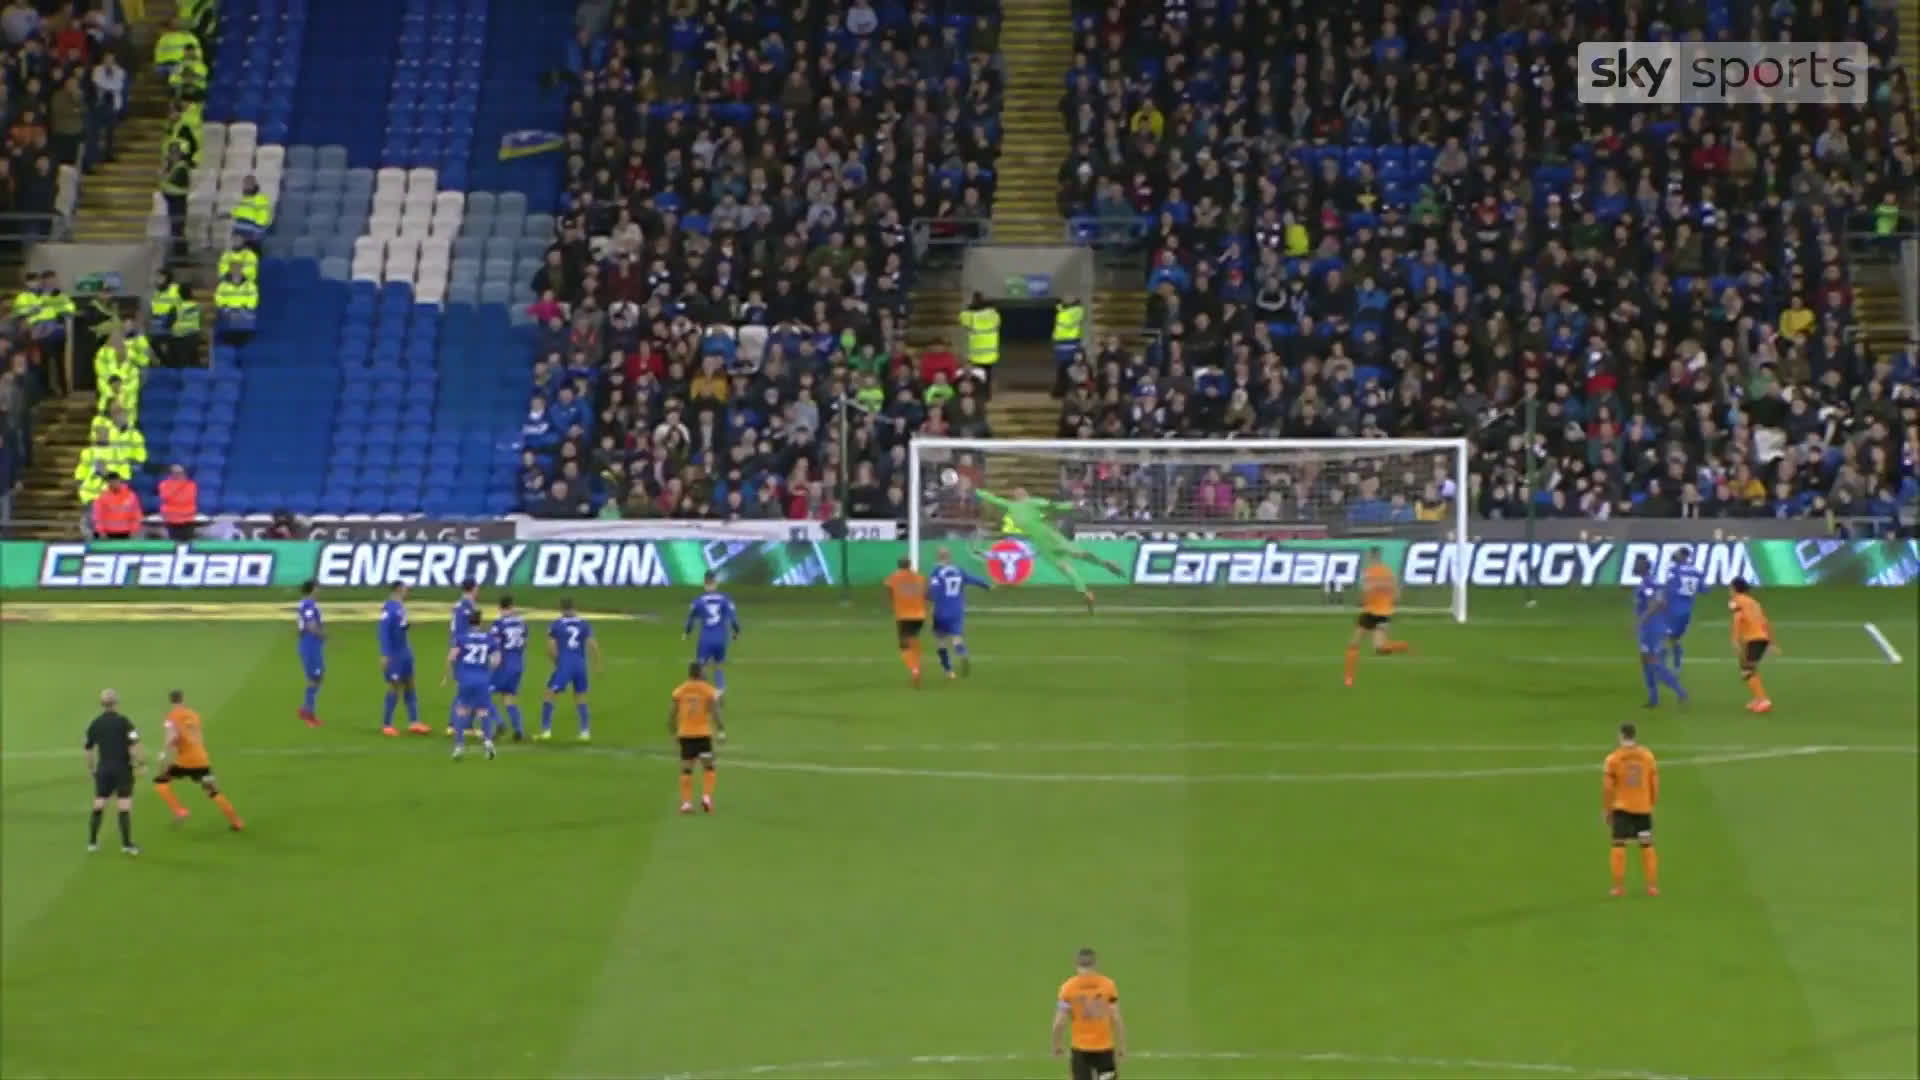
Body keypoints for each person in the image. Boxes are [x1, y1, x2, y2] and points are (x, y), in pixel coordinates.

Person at [973, 487, 1124, 611]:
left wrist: (1072, 505)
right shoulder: (1014, 505)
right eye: (1017, 492)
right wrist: (977, 492)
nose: (1018, 494)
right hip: (1043, 541)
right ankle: (1086, 591)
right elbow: (992, 498)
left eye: (1019, 492)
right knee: (1067, 566)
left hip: (1048, 536)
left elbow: (1053, 506)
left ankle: (1104, 566)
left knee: (1074, 558)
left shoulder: (1026, 503)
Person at [149, 690, 245, 830]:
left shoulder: (171, 717)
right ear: (184, 699)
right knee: (213, 791)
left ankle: (179, 811)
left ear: (171, 701)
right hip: (202, 761)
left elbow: (171, 737)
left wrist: (164, 754)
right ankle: (236, 822)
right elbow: (196, 735)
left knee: (160, 782)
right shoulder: (194, 715)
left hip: (184, 763)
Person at [1602, 722, 1659, 897]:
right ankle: (1651, 887)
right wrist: (1651, 803)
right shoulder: (1648, 756)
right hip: (1643, 809)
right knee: (1646, 845)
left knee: (1618, 845)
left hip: (1622, 810)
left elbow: (1608, 788)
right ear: (1635, 735)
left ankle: (1618, 887)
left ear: (1621, 736)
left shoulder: (1613, 759)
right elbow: (1655, 783)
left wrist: (1607, 810)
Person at [84, 689, 143, 855]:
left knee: (99, 804)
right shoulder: (125, 722)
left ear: (101, 704)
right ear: (116, 702)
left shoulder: (95, 724)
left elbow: (88, 749)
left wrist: (91, 769)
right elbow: (134, 744)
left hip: (104, 770)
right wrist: (139, 763)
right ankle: (126, 845)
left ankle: (92, 842)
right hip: (122, 769)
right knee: (124, 806)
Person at [1052, 947, 1124, 1080]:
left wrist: (1057, 1045)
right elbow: (1115, 1017)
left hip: (1080, 1050)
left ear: (1076, 964)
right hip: (1105, 1049)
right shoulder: (1108, 985)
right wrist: (1121, 1045)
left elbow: (1059, 1023)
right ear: (1096, 964)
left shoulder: (1068, 988)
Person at [1343, 548, 1409, 687]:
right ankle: (1349, 679)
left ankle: (1349, 679)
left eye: (1370, 557)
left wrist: (1361, 601)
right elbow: (1396, 591)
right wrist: (1393, 601)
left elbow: (1367, 590)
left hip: (1371, 611)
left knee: (1356, 644)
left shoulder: (1369, 572)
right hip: (1384, 612)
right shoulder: (1388, 572)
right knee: (1374, 647)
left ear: (1372, 557)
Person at [668, 661, 724, 814]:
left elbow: (672, 713)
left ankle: (686, 803)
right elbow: (715, 712)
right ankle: (706, 797)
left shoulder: (680, 690)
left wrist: (673, 732)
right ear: (700, 673)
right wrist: (721, 729)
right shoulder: (708, 689)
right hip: (703, 735)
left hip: (685, 735)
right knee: (708, 766)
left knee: (686, 769)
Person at [539, 597, 598, 740]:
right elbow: (593, 645)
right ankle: (585, 732)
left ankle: (546, 731)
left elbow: (551, 648)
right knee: (580, 697)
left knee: (549, 695)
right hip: (580, 665)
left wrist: (558, 663)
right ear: (574, 607)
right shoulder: (584, 624)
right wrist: (596, 663)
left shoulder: (556, 624)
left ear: (561, 609)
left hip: (565, 664)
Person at [1633, 556, 1687, 708]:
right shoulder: (1648, 582)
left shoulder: (1649, 583)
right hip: (1650, 627)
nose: (1634, 566)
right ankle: (1653, 699)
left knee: (1654, 663)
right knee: (1646, 663)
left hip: (1651, 628)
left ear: (1644, 568)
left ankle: (1681, 693)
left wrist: (1643, 619)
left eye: (1638, 564)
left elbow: (1659, 602)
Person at [929, 546, 990, 679]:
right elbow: (974, 579)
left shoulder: (936, 572)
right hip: (957, 610)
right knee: (957, 638)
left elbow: (933, 591)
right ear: (949, 557)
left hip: (941, 610)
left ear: (938, 557)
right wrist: (987, 585)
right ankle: (962, 653)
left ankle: (949, 671)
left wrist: (928, 599)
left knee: (941, 641)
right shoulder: (959, 570)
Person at [443, 621, 500, 761]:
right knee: (483, 711)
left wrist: (449, 674)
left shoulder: (461, 638)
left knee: (461, 711)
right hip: (482, 680)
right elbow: (496, 661)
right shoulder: (489, 639)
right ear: (480, 623)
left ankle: (459, 746)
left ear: (468, 624)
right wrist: (487, 671)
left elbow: (451, 657)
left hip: (466, 680)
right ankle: (488, 742)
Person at [378, 582, 429, 736]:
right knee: (395, 687)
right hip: (394, 654)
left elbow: (401, 627)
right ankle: (387, 724)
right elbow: (383, 632)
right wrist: (385, 654)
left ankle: (414, 722)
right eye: (406, 589)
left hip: (405, 652)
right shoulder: (389, 608)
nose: (408, 591)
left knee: (410, 685)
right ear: (398, 590)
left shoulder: (400, 607)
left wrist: (412, 625)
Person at [682, 572, 741, 696]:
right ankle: (720, 691)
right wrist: (736, 632)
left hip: (705, 639)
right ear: (716, 583)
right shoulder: (726, 599)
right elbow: (734, 620)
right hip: (721, 638)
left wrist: (686, 633)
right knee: (718, 666)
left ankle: (705, 693)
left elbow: (690, 620)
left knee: (702, 667)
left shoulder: (698, 600)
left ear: (704, 584)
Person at [1728, 577, 1777, 713]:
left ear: (1735, 589)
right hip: (1761, 638)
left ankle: (1763, 700)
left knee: (1747, 671)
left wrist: (1734, 638)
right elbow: (1765, 621)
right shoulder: (1755, 603)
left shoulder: (1735, 601)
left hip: (1752, 639)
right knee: (1749, 670)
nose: (1729, 590)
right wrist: (1771, 642)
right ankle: (1758, 699)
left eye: (1730, 588)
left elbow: (1737, 618)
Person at [488, 595, 529, 741]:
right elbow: (524, 643)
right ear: (512, 606)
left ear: (499, 607)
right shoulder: (521, 623)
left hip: (504, 664)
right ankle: (518, 731)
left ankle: (499, 723)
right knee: (508, 698)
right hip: (518, 664)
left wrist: (493, 664)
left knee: (482, 694)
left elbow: (495, 647)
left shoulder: (498, 624)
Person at [883, 557, 929, 687]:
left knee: (904, 645)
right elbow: (926, 593)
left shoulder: (893, 577)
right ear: (910, 565)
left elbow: (888, 589)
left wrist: (891, 604)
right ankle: (917, 664)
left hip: (903, 615)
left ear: (898, 565)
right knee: (913, 639)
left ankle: (915, 670)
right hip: (920, 615)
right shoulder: (920, 577)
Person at [1660, 547, 1707, 671]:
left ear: (1683, 556)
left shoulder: (1674, 570)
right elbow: (1704, 590)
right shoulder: (1696, 571)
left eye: (1677, 553)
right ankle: (1677, 662)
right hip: (1686, 611)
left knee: (1663, 636)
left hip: (1672, 609)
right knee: (1673, 638)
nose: (1675, 555)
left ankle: (1662, 665)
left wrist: (1662, 603)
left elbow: (1668, 589)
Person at [444, 578, 480, 735]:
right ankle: (455, 725)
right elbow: (463, 632)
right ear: (473, 589)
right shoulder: (466, 607)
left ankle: (466, 726)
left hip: (465, 650)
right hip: (465, 651)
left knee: (472, 688)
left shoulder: (462, 605)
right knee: (467, 689)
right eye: (477, 588)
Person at [295, 578, 324, 727]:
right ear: (312, 589)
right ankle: (309, 715)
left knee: (317, 677)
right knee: (314, 678)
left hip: (311, 644)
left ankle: (305, 709)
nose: (320, 590)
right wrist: (323, 635)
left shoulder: (306, 604)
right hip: (310, 644)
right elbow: (311, 625)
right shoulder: (308, 604)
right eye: (318, 587)